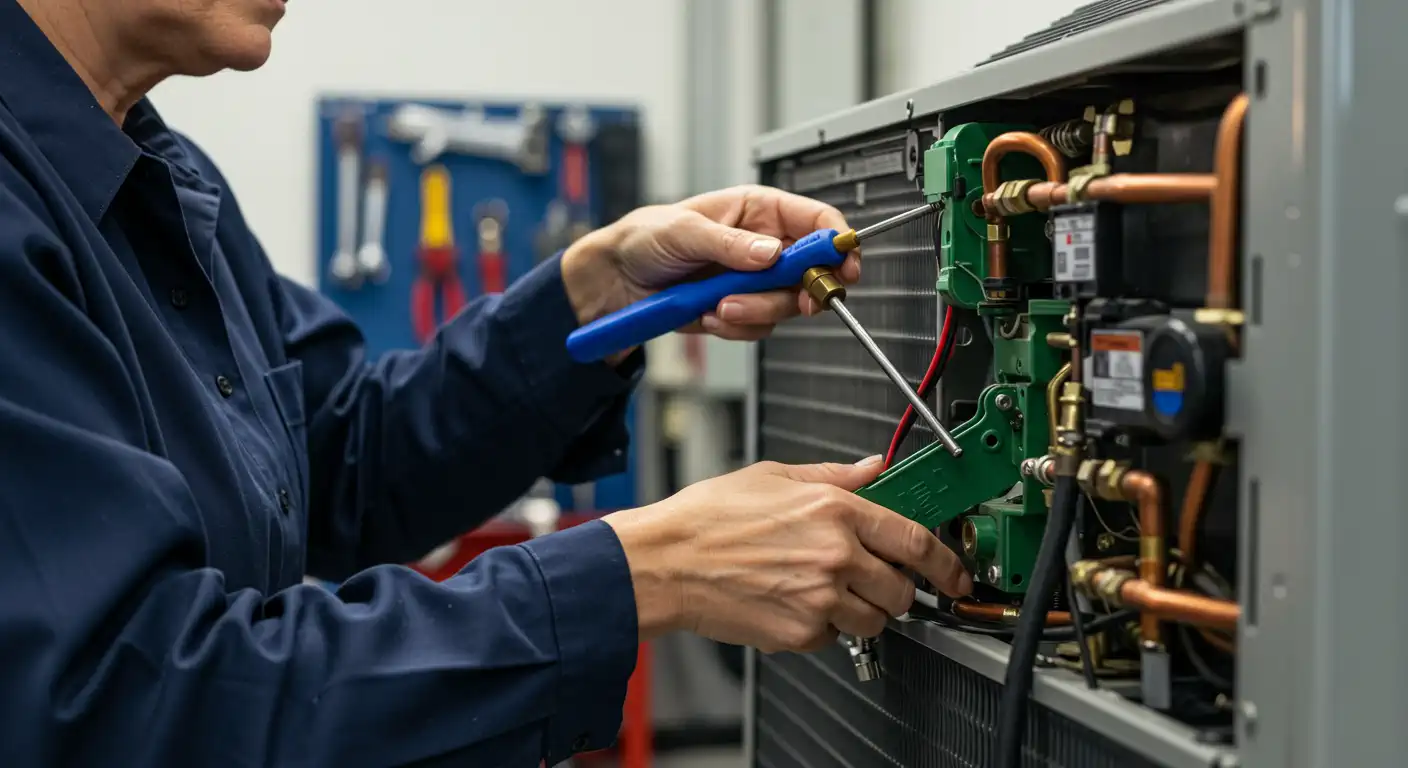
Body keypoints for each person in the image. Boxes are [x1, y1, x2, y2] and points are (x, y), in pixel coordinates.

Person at [0, 0, 973, 765]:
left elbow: (342, 459)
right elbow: (117, 707)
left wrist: (592, 298)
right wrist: (644, 572)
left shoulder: (154, 176)